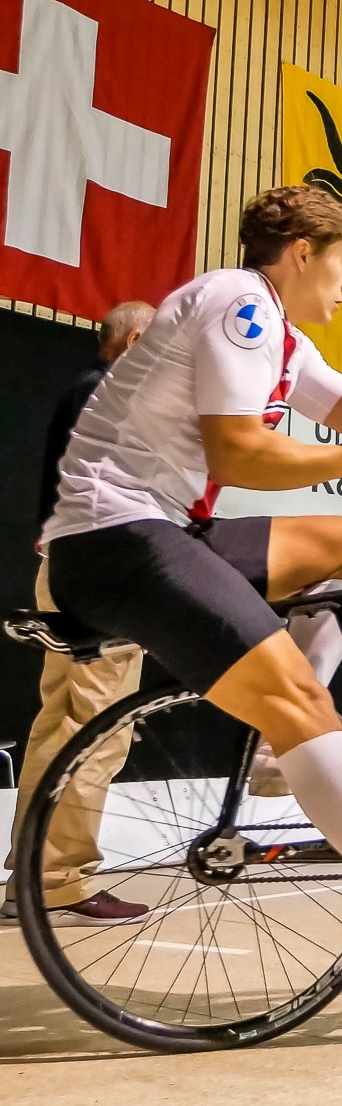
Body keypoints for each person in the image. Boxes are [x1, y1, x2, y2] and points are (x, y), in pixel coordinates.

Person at [30, 185, 342, 976]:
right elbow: (242, 454)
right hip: (116, 534)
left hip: (165, 523)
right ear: (301, 253)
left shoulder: (281, 337)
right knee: (306, 701)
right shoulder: (240, 302)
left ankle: (285, 748)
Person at [1, 303, 154, 925]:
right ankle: (61, 879)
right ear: (137, 339)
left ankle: (32, 875)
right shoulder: (112, 398)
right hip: (102, 576)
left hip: (61, 570)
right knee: (101, 729)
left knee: (58, 724)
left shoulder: (81, 393)